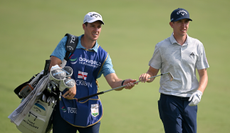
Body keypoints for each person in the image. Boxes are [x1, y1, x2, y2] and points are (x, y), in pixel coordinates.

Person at [49, 11, 136, 133]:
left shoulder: (103, 55)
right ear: (84, 26)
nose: (96, 30)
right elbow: (53, 66)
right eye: (92, 26)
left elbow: (114, 81)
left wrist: (124, 83)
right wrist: (69, 82)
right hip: (65, 105)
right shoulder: (69, 43)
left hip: (90, 110)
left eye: (99, 26)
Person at [139, 8, 209, 133]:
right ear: (172, 24)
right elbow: (152, 72)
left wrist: (199, 92)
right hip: (169, 99)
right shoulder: (162, 46)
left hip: (190, 100)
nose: (184, 25)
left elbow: (203, 75)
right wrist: (147, 76)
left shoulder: (197, 45)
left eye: (186, 22)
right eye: (179, 22)